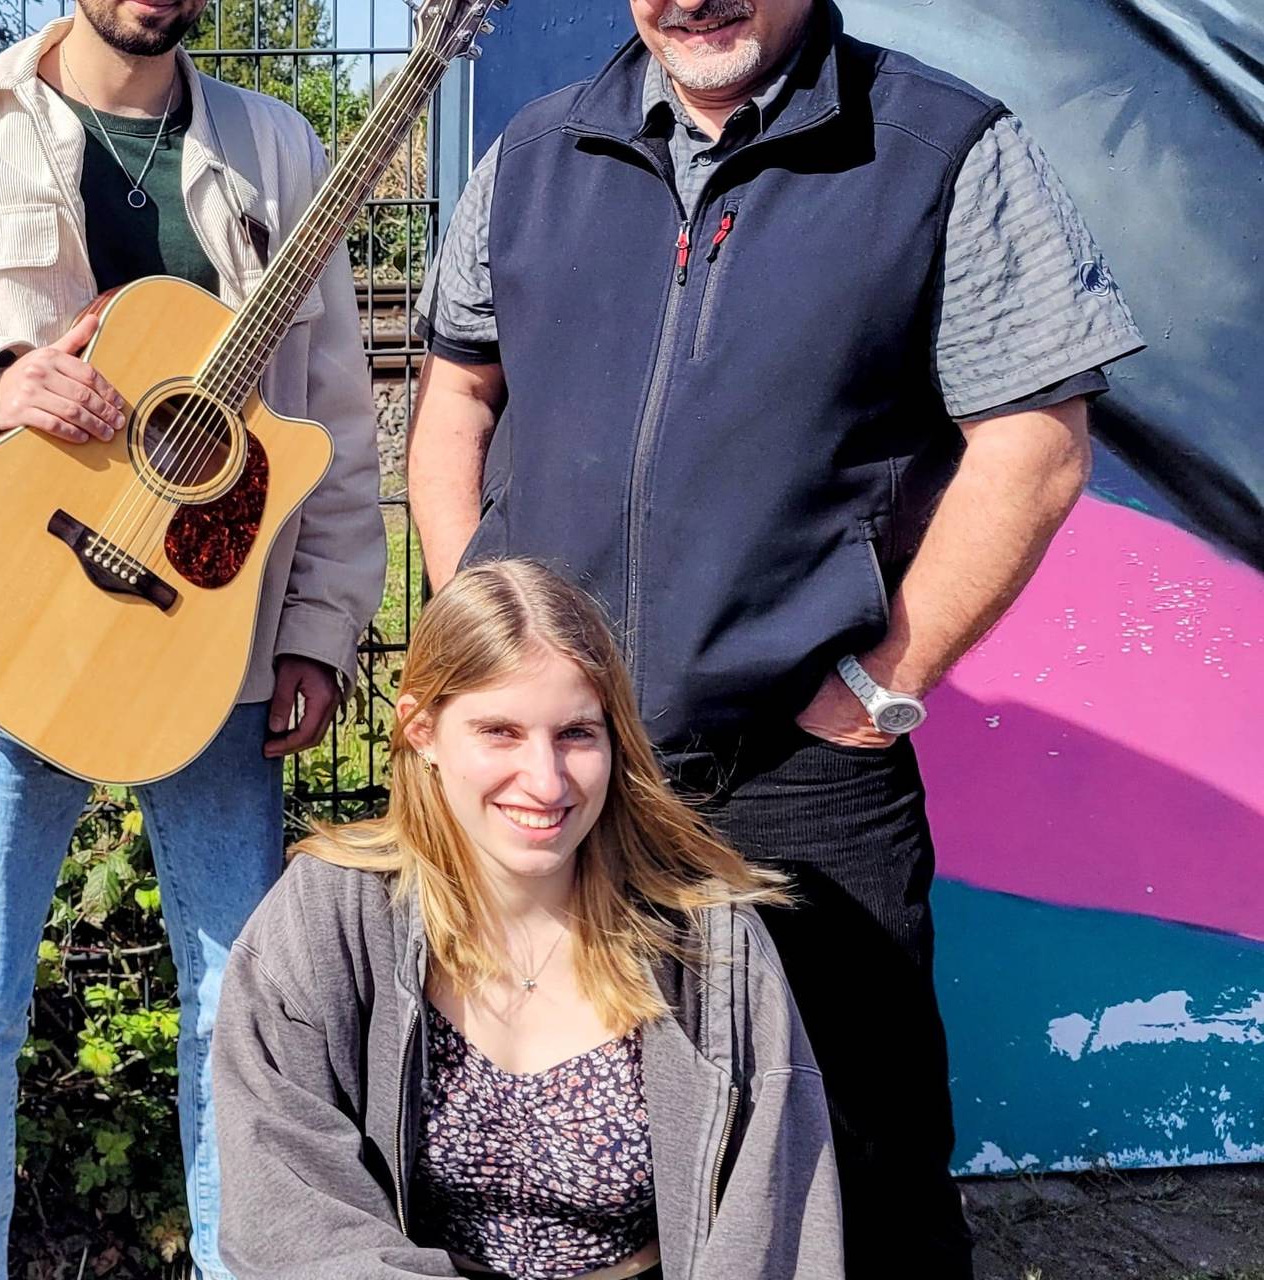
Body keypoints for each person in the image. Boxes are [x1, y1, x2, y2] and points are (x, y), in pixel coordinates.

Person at [403, 0, 1143, 1271]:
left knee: (856, 1172)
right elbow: (455, 394)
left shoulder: (937, 151)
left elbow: (1035, 441)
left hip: (798, 774)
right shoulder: (531, 152)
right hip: (554, 772)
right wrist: (489, 655)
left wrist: (876, 683)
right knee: (568, 1176)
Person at [0, 0, 386, 1272]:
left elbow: (332, 416)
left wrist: (321, 623)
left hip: (209, 634)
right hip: (11, 638)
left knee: (240, 1006)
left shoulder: (278, 150)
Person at [214, 560, 843, 1280]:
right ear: (421, 728)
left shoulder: (707, 940)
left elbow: (770, 1227)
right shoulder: (328, 916)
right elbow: (290, 1208)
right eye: (500, 732)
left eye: (576, 734)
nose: (545, 782)